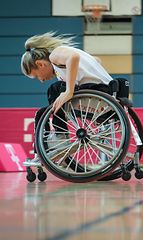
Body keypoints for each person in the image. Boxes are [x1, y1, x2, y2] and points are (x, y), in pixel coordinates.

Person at [21, 32, 114, 166]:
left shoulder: (55, 54)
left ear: (40, 64)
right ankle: (47, 148)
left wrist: (69, 91)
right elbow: (97, 60)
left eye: (37, 76)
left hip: (98, 95)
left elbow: (73, 57)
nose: (41, 80)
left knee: (54, 89)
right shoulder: (63, 62)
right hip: (106, 95)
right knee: (43, 111)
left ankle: (59, 136)